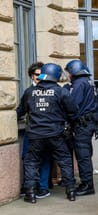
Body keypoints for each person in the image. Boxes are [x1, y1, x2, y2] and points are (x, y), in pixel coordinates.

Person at [17, 63, 78, 203]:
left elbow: (21, 111)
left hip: (35, 135)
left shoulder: (29, 92)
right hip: (56, 134)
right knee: (65, 162)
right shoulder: (61, 91)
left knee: (31, 162)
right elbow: (73, 111)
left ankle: (30, 193)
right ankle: (71, 192)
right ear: (56, 75)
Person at [64, 59, 98, 196]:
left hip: (82, 125)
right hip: (90, 123)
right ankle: (86, 182)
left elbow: (73, 105)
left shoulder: (79, 84)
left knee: (82, 155)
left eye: (68, 72)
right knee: (86, 153)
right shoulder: (89, 82)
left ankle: (87, 185)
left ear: (74, 71)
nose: (67, 75)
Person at [17, 62, 53, 199]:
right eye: (37, 75)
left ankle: (42, 187)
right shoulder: (28, 92)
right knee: (28, 158)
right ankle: (29, 187)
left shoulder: (52, 90)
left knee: (45, 159)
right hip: (32, 131)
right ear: (32, 76)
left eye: (42, 74)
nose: (40, 77)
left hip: (49, 131)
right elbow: (21, 109)